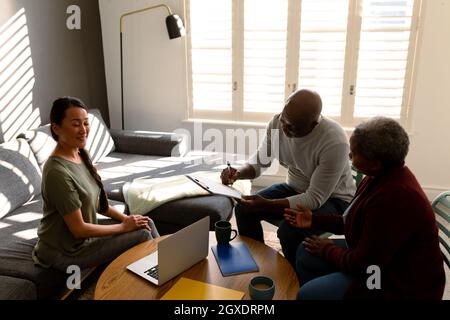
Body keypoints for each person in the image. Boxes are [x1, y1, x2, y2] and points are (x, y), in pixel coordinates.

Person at [285, 117, 445, 299]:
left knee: (307, 294)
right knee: (305, 252)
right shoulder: (378, 177)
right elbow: (353, 219)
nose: (349, 157)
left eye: (353, 153)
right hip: (378, 261)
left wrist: (327, 250)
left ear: (375, 163)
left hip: (395, 282)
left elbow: (365, 265)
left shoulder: (395, 198)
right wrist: (313, 219)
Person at [221, 89, 356, 267]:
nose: (284, 128)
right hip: (295, 189)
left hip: (334, 199)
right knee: (245, 209)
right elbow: (259, 163)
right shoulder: (278, 122)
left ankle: (293, 275)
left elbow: (314, 199)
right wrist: (237, 173)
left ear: (314, 124)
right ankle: (254, 263)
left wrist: (267, 204)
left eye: (292, 126)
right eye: (284, 119)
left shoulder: (334, 141)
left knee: (290, 231)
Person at [32, 97, 159, 272]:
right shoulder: (57, 172)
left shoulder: (80, 154)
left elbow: (100, 205)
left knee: (146, 222)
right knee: (142, 234)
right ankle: (157, 279)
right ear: (56, 128)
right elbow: (79, 230)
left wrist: (127, 219)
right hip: (65, 252)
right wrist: (123, 227)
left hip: (82, 241)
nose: (83, 130)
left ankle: (168, 270)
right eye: (76, 124)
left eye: (86, 123)